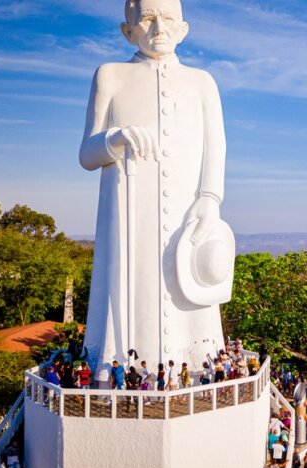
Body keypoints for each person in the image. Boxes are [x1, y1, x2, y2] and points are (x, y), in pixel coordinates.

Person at [80, 0, 233, 384]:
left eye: (168, 20)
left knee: (188, 293)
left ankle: (197, 365)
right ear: (127, 29)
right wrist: (114, 138)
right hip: (130, 213)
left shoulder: (202, 82)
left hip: (187, 212)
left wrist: (210, 198)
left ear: (184, 29)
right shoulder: (110, 75)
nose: (158, 29)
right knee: (130, 287)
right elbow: (86, 154)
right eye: (147, 19)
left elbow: (217, 145)